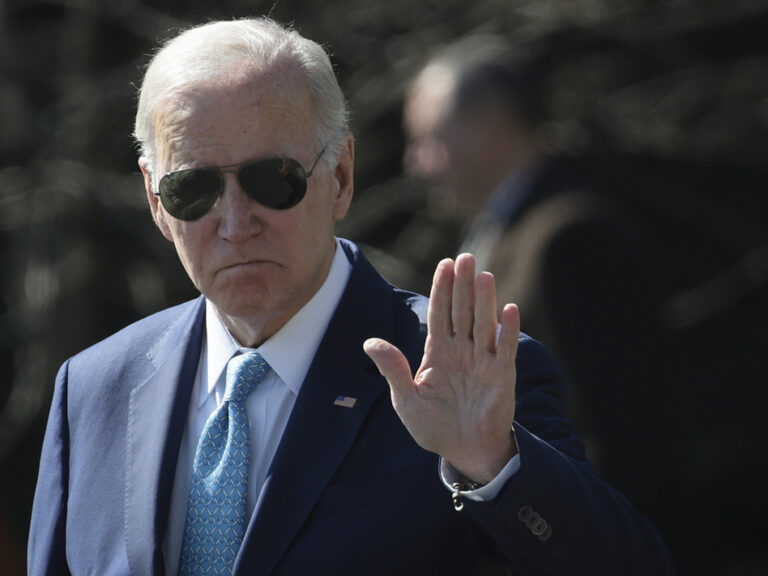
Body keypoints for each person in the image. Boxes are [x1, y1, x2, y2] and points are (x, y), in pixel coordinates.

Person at [28, 17, 674, 575]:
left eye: (272, 179)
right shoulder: (92, 391)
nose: (234, 221)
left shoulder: (458, 373)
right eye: (191, 190)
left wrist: (493, 465)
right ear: (153, 199)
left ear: (339, 177)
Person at [403, 35, 671, 527]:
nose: (415, 163)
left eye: (429, 139)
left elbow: (623, 432)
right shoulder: (503, 233)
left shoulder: (573, 238)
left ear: (487, 128)